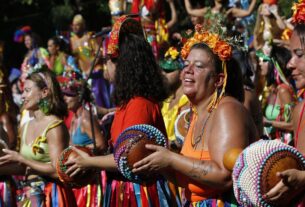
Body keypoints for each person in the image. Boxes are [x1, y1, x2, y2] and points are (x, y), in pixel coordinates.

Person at [132, 23, 258, 206]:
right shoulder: (198, 112)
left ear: (218, 80)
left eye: (198, 66)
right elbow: (190, 178)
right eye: (186, 64)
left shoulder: (227, 110)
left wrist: (171, 158)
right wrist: (158, 163)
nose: (188, 70)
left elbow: (224, 176)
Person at [64, 15, 179, 207]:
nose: (104, 67)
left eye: (107, 60)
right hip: (123, 191)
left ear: (123, 65)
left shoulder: (139, 104)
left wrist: (89, 162)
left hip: (138, 195)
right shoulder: (127, 103)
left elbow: (130, 159)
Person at [0, 66, 77, 206]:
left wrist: (21, 158)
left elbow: (57, 171)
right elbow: (26, 168)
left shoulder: (54, 127)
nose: (22, 96)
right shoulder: (25, 126)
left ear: (44, 92)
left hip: (51, 196)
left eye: (27, 91)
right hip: (29, 195)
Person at [264, 1, 305, 204]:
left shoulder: (285, 92)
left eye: (299, 55)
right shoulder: (301, 108)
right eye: (290, 55)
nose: (290, 64)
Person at [59, 71, 108, 206]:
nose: (65, 98)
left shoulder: (86, 118)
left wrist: (81, 151)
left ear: (79, 97)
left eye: (69, 95)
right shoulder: (74, 118)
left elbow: (101, 145)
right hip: (81, 177)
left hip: (92, 178)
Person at [257, 45, 295, 144]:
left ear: (274, 65)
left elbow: (292, 124)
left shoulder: (283, 91)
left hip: (286, 146)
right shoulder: (275, 89)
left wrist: (268, 122)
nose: (260, 63)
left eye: (264, 61)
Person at [160, 46, 189, 150]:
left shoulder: (188, 102)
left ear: (182, 73)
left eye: (168, 71)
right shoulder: (165, 99)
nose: (163, 74)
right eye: (162, 69)